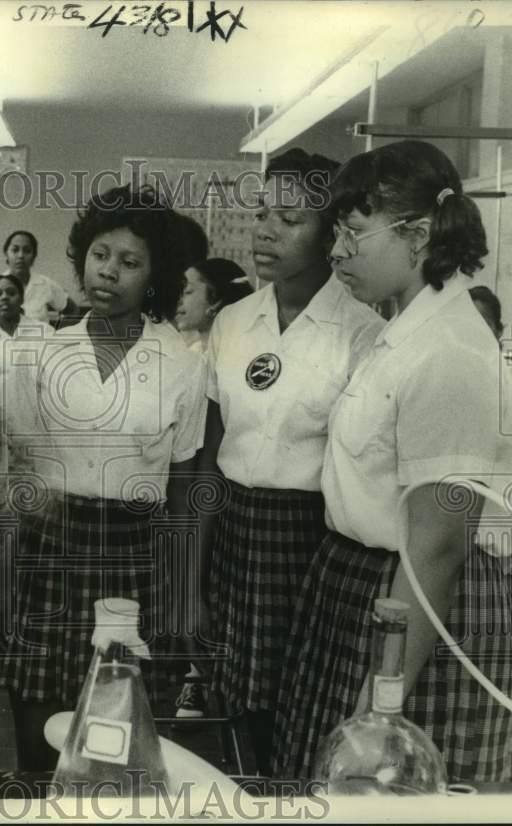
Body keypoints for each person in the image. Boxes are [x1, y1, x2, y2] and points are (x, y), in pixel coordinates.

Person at [274, 140, 512, 783]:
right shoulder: (402, 331)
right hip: (365, 589)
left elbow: (437, 547)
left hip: (413, 612)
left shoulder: (447, 351)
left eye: (354, 234)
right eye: (335, 233)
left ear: (417, 235)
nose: (335, 253)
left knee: (379, 779)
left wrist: (379, 711)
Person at [0, 184, 208, 771]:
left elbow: (186, 484)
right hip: (49, 549)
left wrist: (185, 590)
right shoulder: (39, 351)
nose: (108, 271)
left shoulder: (183, 362)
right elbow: (16, 468)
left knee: (123, 745)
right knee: (40, 737)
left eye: (129, 261)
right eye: (99, 254)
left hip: (138, 556)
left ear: (154, 276)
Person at [192, 149, 384, 771]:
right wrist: (192, 576)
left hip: (310, 539)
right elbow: (208, 458)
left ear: (333, 233)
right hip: (232, 527)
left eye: (291, 218)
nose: (267, 230)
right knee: (232, 700)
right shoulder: (232, 321)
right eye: (262, 212)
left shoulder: (361, 331)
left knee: (296, 707)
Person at [0, 230, 75, 326]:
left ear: (34, 257)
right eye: (15, 250)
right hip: (2, 346)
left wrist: (59, 335)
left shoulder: (45, 284)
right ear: (6, 254)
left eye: (27, 251)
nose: (21, 256)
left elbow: (72, 310)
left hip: (37, 345)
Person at [469, 285, 512, 444]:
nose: (474, 332)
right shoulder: (445, 370)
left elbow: (511, 439)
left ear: (498, 330)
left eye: (482, 324)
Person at [173, 257, 253, 354]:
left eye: (187, 291)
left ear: (217, 300)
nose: (178, 300)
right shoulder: (192, 351)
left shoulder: (237, 354)